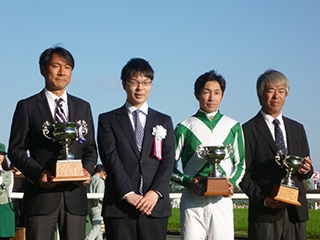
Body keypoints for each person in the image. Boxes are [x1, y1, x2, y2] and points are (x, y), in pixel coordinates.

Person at [8, 46, 98, 240]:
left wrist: (87, 171)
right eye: (55, 66)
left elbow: (90, 149)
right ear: (42, 69)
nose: (61, 72)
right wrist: (39, 174)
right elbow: (16, 150)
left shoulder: (83, 107)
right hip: (41, 197)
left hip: (74, 197)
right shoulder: (27, 106)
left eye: (67, 67)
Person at [97, 57, 175, 240]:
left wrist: (155, 193)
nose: (140, 88)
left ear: (151, 85)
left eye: (146, 82)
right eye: (134, 82)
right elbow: (110, 158)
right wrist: (128, 193)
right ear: (124, 84)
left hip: (154, 207)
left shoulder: (164, 121)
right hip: (120, 206)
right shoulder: (108, 120)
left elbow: (168, 160)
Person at [239, 69, 313, 240]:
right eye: (270, 90)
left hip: (295, 212)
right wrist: (264, 199)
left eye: (281, 91)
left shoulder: (297, 129)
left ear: (286, 95)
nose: (276, 96)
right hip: (265, 213)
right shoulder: (247, 130)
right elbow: (243, 173)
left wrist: (306, 170)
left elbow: (306, 168)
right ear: (260, 95)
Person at [171, 70, 246, 240]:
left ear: (223, 95)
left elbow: (240, 164)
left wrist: (230, 184)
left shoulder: (233, 126)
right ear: (197, 94)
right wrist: (190, 182)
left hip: (221, 202)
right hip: (192, 202)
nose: (211, 97)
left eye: (216, 93)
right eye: (206, 92)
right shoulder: (184, 126)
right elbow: (170, 167)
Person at [85, 164, 106, 240]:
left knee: (99, 230)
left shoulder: (89, 180)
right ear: (102, 172)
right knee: (97, 227)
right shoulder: (100, 181)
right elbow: (100, 195)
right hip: (97, 206)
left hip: (89, 206)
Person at [0, 143, 15, 240]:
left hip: (5, 206)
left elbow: (9, 191)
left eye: (1, 154)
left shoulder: (9, 174)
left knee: (5, 237)